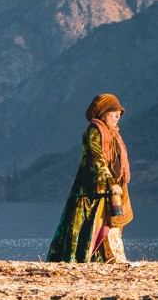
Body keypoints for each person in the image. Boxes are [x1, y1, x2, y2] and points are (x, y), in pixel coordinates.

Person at [46, 92, 133, 263]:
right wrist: (109, 182)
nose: (118, 116)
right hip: (92, 192)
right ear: (102, 113)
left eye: (119, 113)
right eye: (113, 112)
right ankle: (101, 259)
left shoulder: (113, 134)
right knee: (91, 227)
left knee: (110, 225)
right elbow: (96, 159)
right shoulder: (94, 131)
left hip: (109, 191)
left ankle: (111, 259)